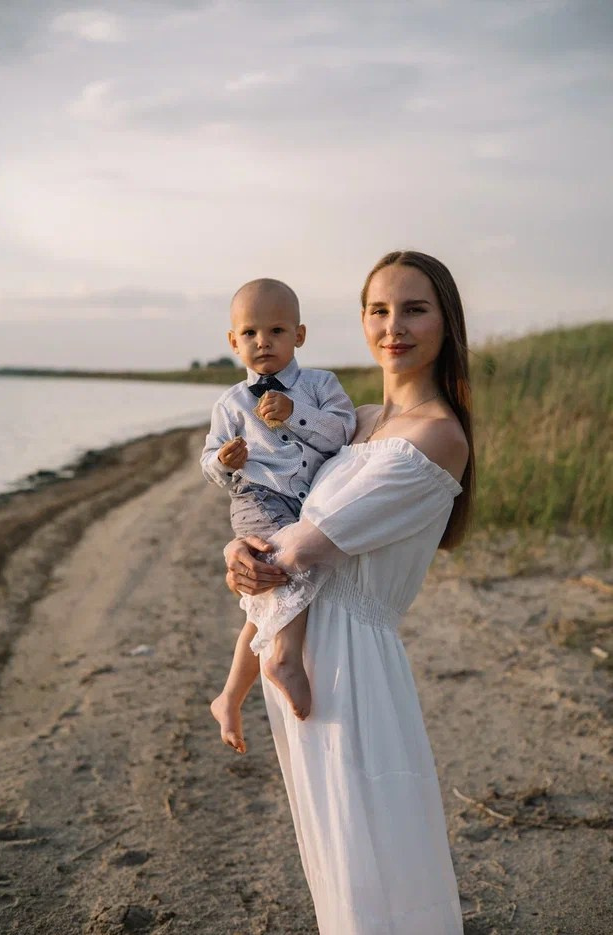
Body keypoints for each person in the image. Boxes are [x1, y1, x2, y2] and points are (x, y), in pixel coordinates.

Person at [223, 251, 473, 934]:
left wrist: (243, 554)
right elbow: (277, 505)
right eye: (378, 309)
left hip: (353, 665)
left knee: (376, 849)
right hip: (302, 642)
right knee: (334, 852)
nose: (393, 326)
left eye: (414, 308)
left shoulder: (438, 436)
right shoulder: (353, 420)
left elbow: (305, 543)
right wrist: (235, 548)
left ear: (446, 322)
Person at [201, 278, 356, 752]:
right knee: (282, 567)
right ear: (233, 341)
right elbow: (209, 461)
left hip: (308, 498)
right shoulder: (230, 404)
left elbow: (343, 435)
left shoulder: (320, 385)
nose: (262, 342)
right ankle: (284, 658)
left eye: (275, 330)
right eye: (249, 333)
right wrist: (222, 463)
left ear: (299, 336)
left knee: (265, 598)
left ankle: (230, 695)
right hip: (257, 499)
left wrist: (294, 413)